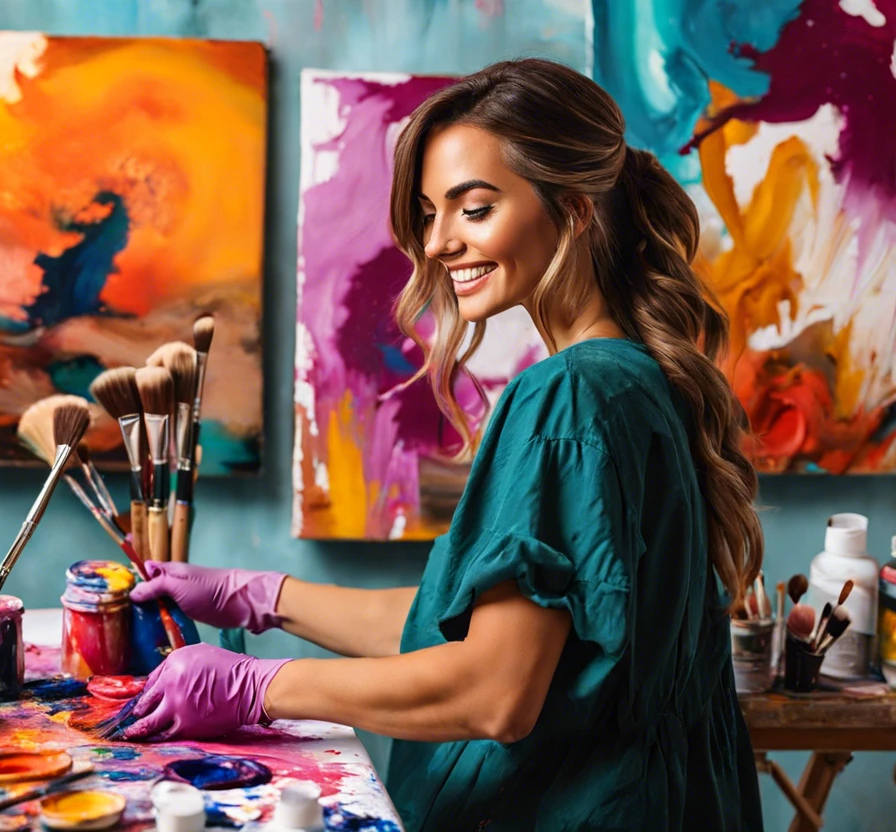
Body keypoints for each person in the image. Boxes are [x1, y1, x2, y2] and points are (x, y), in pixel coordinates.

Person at [126, 58, 766, 831]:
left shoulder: (570, 396)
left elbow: (491, 690)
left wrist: (260, 688)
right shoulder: (634, 380)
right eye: (431, 214)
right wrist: (259, 598)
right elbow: (466, 628)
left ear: (574, 211)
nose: (436, 244)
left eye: (474, 208)